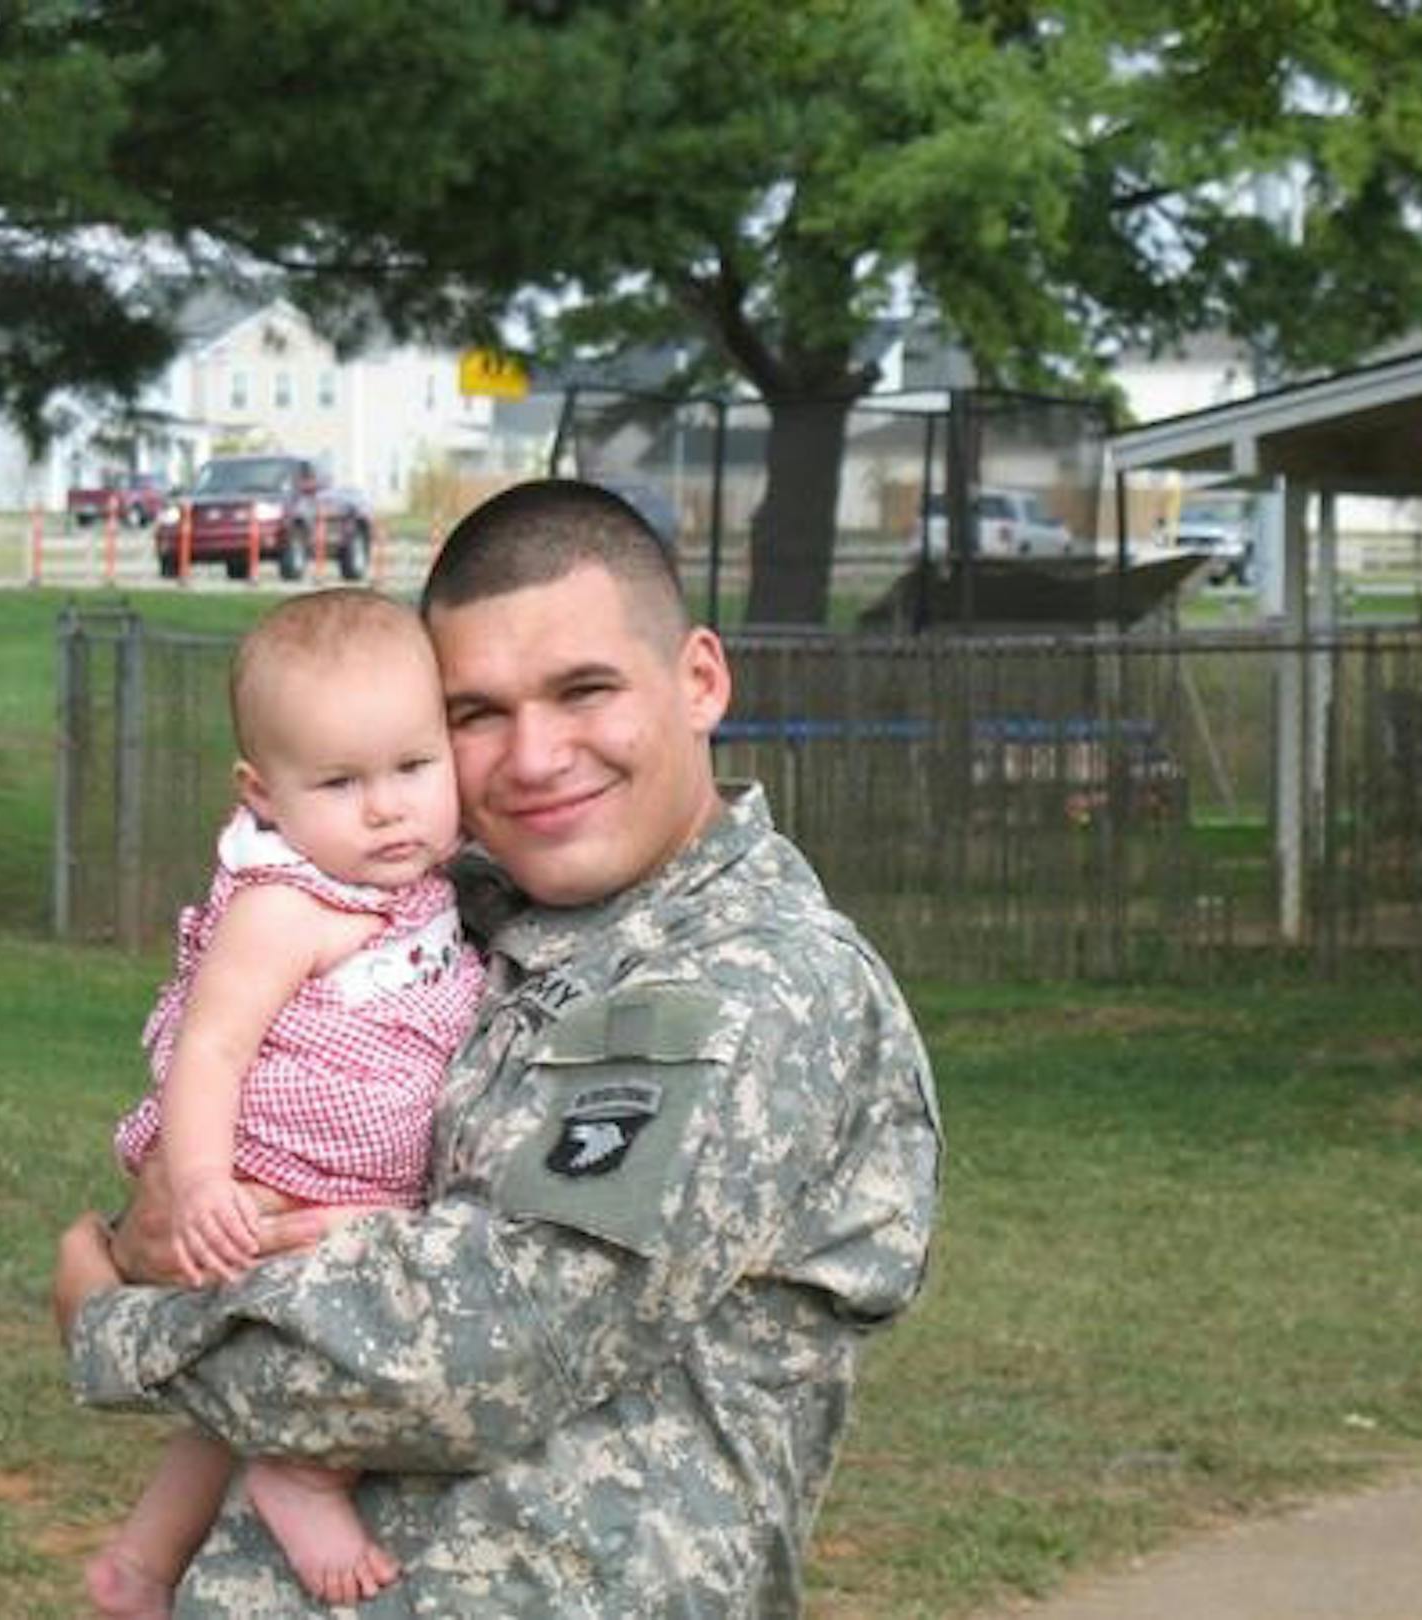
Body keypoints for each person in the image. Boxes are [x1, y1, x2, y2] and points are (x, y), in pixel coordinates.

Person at [55, 477, 943, 1616]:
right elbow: (211, 1165)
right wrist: (168, 1223)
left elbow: (483, 1350)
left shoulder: (751, 984)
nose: (532, 756)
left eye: (584, 691)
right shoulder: (451, 914)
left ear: (699, 681)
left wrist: (110, 1320)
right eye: (476, 714)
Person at [83, 589, 486, 1616]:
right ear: (263, 795)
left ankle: (139, 1563)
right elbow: (212, 1048)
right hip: (277, 1181)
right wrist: (208, 1182)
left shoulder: (423, 881)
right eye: (341, 782)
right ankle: (305, 1474)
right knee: (347, 1336)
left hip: (350, 1183)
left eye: (412, 767)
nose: (388, 806)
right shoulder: (285, 904)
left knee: (227, 1408)